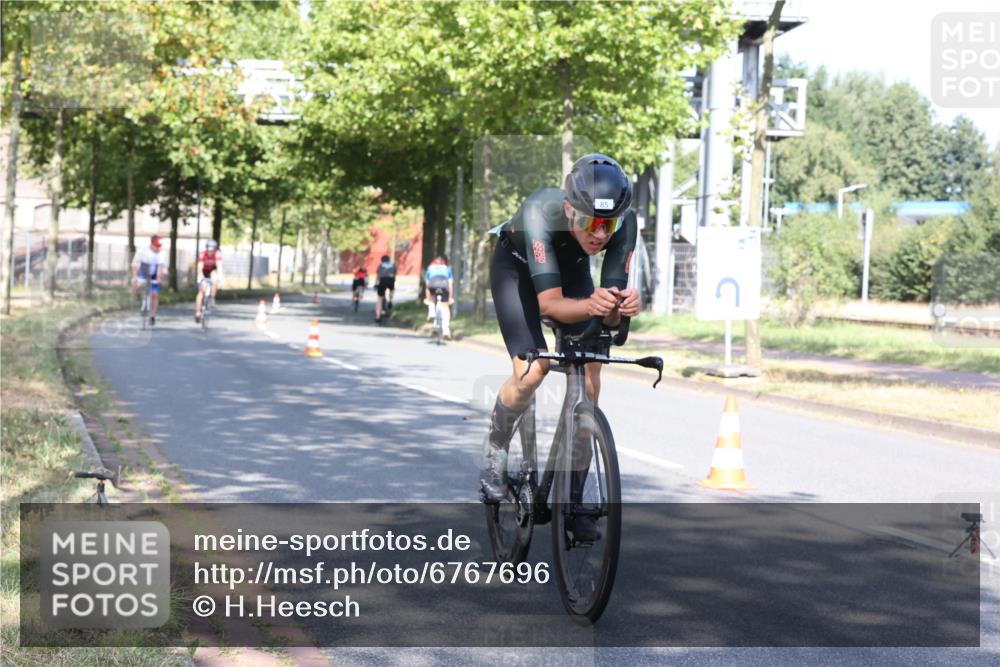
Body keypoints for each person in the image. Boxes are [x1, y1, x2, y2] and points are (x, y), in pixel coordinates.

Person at [480, 153, 640, 541]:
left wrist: (621, 309)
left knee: (590, 372)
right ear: (569, 209)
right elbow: (549, 304)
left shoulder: (624, 222)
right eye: (588, 221)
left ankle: (575, 501)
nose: (600, 234)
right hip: (516, 270)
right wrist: (594, 306)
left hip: (571, 271)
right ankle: (495, 447)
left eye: (608, 224)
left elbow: (613, 323)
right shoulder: (540, 212)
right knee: (533, 369)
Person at [132, 235, 168, 325]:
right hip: (143, 271)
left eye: (159, 246)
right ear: (151, 244)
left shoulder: (162, 253)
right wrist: (134, 276)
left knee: (154, 295)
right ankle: (137, 297)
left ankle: (153, 316)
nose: (158, 248)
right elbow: (134, 263)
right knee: (137, 285)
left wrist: (159, 279)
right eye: (156, 246)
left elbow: (160, 267)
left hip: (155, 273)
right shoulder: (143, 250)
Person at [423, 256, 454, 338]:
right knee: (445, 307)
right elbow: (450, 284)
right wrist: (450, 297)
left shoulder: (430, 268)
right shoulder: (447, 269)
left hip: (433, 286)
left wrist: (427, 298)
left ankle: (431, 311)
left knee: (432, 297)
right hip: (444, 287)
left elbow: (427, 285)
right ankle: (446, 330)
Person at [194, 239, 224, 323]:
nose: (210, 252)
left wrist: (220, 277)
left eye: (212, 250)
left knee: (215, 279)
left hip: (212, 271)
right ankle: (198, 312)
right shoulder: (202, 254)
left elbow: (219, 266)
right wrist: (200, 277)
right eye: (209, 250)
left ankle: (212, 298)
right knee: (201, 291)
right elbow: (200, 267)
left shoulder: (217, 254)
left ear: (215, 249)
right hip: (203, 271)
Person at [374, 254, 396, 323]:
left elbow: (378, 276)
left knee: (379, 299)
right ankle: (390, 299)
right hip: (391, 280)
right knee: (392, 289)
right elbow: (395, 274)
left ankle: (378, 317)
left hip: (382, 280)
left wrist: (376, 283)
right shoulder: (393, 265)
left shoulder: (380, 265)